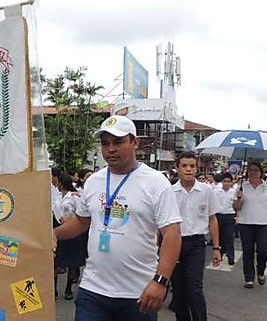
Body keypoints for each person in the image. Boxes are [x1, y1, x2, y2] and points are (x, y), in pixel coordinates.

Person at [54, 115, 182, 321]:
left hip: (138, 293)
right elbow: (81, 221)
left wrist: (160, 281)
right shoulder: (94, 181)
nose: (110, 149)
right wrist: (54, 234)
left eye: (118, 142)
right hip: (93, 290)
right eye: (105, 143)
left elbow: (172, 234)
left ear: (135, 143)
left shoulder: (156, 183)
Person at [170, 152, 221, 321]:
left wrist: (216, 248)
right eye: (184, 166)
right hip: (175, 244)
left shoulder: (206, 191)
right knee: (178, 289)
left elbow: (212, 219)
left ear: (197, 168)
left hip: (197, 244)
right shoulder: (170, 192)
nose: (188, 169)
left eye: (192, 166)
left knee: (195, 288)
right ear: (177, 168)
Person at [233, 162, 267, 288]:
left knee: (262, 250)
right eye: (250, 170)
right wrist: (238, 198)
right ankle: (249, 278)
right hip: (245, 223)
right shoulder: (241, 186)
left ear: (261, 172)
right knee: (247, 251)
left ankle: (261, 271)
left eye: (256, 170)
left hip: (264, 223)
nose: (253, 172)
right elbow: (236, 207)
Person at [53, 174, 82, 300]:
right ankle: (53, 289)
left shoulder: (74, 197)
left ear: (62, 183)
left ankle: (68, 289)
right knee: (55, 261)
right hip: (58, 229)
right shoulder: (57, 196)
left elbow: (81, 213)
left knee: (71, 262)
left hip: (71, 231)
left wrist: (69, 218)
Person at [215, 173, 237, 265]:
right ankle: (220, 253)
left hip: (229, 216)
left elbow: (236, 205)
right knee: (219, 237)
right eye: (225, 181)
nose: (226, 183)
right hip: (219, 215)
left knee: (229, 237)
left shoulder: (234, 192)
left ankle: (231, 257)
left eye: (228, 181)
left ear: (231, 182)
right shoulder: (216, 191)